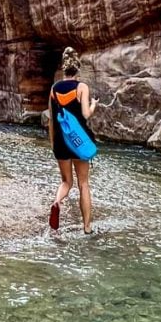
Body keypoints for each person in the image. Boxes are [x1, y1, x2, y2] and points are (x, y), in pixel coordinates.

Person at [48, 47, 98, 235]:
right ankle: (87, 227)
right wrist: (93, 105)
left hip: (61, 142)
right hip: (78, 142)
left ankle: (57, 202)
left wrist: (53, 144)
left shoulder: (54, 89)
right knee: (83, 184)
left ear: (63, 68)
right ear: (77, 69)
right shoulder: (82, 87)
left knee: (66, 183)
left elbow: (51, 119)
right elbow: (86, 114)